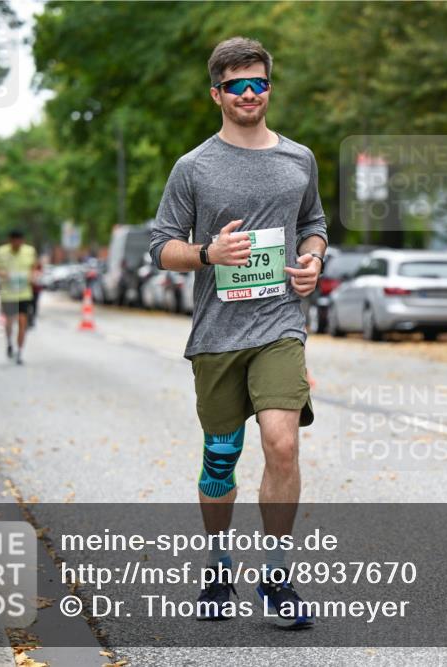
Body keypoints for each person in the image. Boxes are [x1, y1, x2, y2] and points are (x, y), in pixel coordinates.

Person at [149, 36, 327, 628]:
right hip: (217, 335)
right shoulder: (193, 167)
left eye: (259, 83)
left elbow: (314, 222)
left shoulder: (299, 159)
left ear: (269, 88)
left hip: (280, 325)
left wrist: (313, 258)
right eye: (237, 86)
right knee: (221, 460)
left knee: (282, 443)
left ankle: (276, 576)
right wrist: (208, 252)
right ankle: (218, 563)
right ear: (216, 94)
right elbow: (161, 246)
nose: (249, 94)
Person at [0, 230, 37, 365]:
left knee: (22, 322)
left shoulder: (29, 251)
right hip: (8, 294)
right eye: (14, 241)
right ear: (10, 240)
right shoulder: (1, 252)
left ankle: (19, 351)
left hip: (24, 293)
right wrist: (6, 275)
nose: (17, 244)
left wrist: (32, 276)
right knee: (9, 322)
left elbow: (34, 267)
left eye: (19, 241)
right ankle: (9, 343)